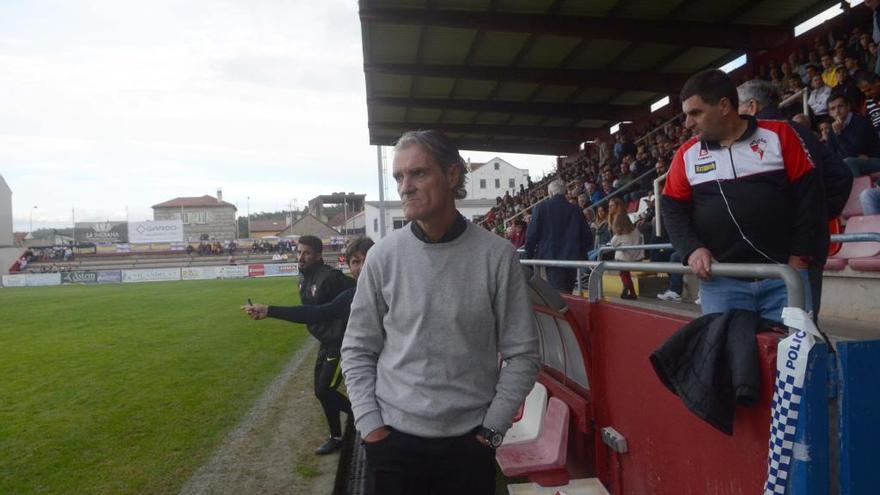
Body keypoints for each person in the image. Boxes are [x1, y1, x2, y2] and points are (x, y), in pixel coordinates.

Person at [341, 130, 540, 495]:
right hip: (391, 447)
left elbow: (523, 354)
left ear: (452, 176)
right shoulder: (382, 258)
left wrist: (492, 428)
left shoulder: (497, 256)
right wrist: (370, 426)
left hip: (469, 449)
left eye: (418, 173)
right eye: (399, 177)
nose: (405, 187)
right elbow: (356, 349)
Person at [662, 69, 825, 323]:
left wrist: (799, 259)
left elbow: (810, 201)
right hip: (721, 281)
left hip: (785, 277)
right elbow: (672, 209)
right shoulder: (686, 155)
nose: (687, 124)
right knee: (724, 360)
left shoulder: (779, 136)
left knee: (792, 359)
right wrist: (692, 249)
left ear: (724, 106)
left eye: (695, 113)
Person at [737, 78, 854, 319]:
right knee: (804, 330)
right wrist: (819, 214)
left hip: (778, 251)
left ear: (751, 107)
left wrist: (817, 212)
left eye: (737, 107)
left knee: (779, 336)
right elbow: (842, 175)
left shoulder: (759, 136)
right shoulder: (801, 131)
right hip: (810, 244)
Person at [249, 235, 356, 455]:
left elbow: (353, 295)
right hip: (326, 341)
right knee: (321, 391)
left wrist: (270, 311)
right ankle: (337, 436)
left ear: (318, 255)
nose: (301, 257)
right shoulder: (303, 278)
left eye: (306, 253)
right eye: (299, 252)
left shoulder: (330, 277)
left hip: (342, 342)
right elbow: (312, 314)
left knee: (325, 390)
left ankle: (364, 416)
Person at [243, 236, 373, 326]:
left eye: (306, 253)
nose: (362, 267)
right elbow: (316, 312)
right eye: (355, 262)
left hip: (337, 345)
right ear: (349, 266)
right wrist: (269, 310)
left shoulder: (331, 277)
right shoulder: (353, 295)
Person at [524, 178, 593, 293]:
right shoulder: (576, 210)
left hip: (551, 258)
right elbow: (587, 236)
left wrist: (529, 256)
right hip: (572, 258)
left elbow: (531, 235)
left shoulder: (541, 208)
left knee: (558, 295)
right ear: (565, 192)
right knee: (568, 292)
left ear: (550, 193)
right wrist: (580, 252)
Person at [826, 89, 880, 177]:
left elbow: (852, 153)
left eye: (840, 106)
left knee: (849, 162)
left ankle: (858, 190)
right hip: (854, 160)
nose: (837, 111)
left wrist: (839, 134)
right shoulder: (832, 128)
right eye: (833, 108)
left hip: (874, 160)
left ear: (848, 107)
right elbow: (831, 153)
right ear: (829, 113)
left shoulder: (861, 123)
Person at [610, 211, 644, 300]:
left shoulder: (620, 235)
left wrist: (616, 235)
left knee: (624, 274)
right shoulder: (636, 231)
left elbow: (612, 244)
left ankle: (631, 291)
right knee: (626, 275)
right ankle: (627, 289)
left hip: (623, 259)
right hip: (636, 257)